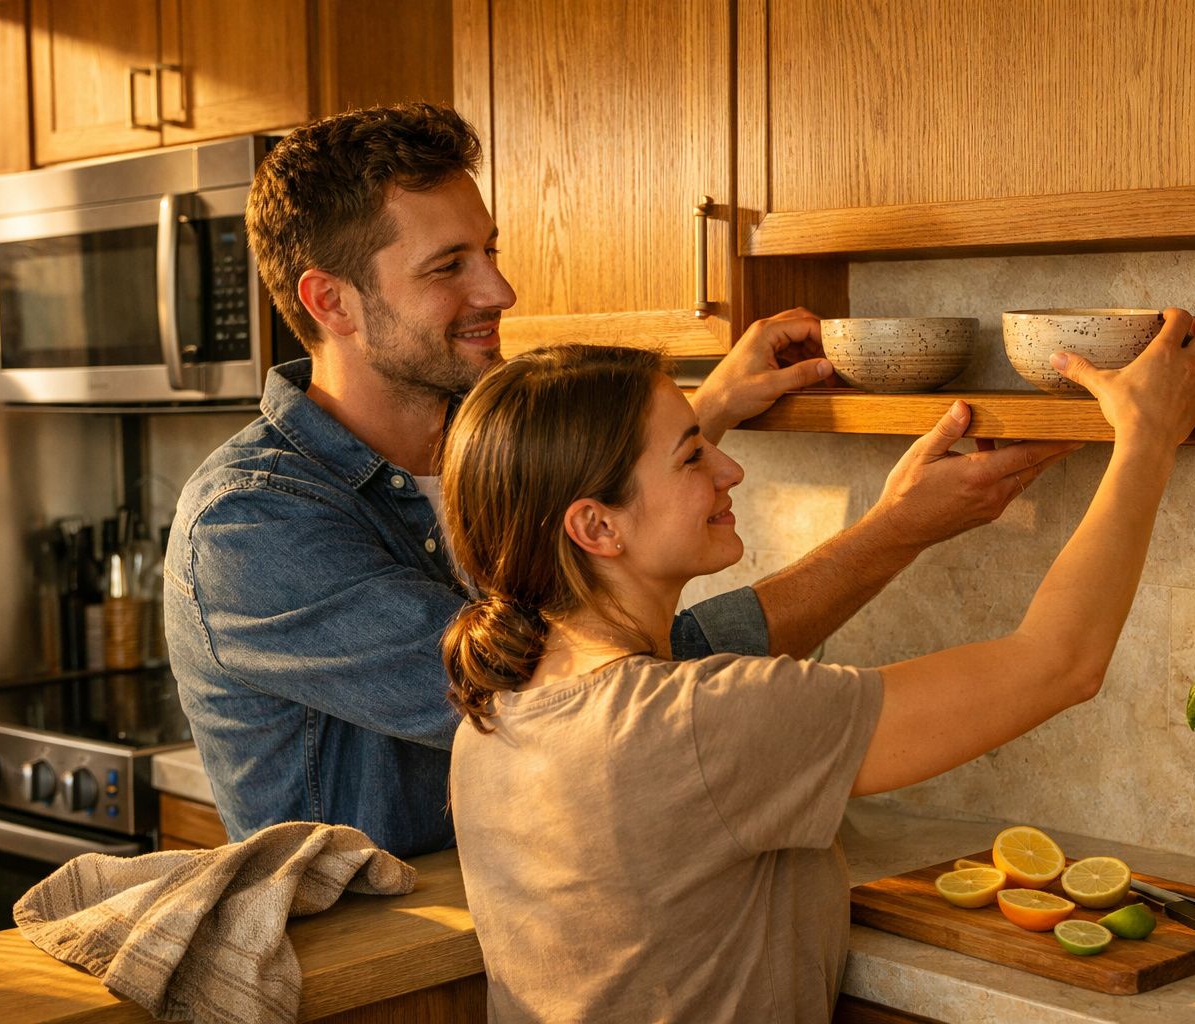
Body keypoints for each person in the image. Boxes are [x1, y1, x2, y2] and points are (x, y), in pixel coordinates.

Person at [165, 103, 1078, 857]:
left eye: (489, 250)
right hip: (388, 970)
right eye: (449, 267)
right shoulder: (251, 527)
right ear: (330, 301)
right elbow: (570, 698)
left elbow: (576, 543)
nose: (499, 292)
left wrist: (694, 417)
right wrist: (895, 530)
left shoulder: (479, 443)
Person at [440, 314, 1195, 1022]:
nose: (730, 470)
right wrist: (1146, 440)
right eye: (692, 455)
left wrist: (896, 526)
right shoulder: (698, 722)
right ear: (596, 526)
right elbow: (1056, 664)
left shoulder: (494, 714)